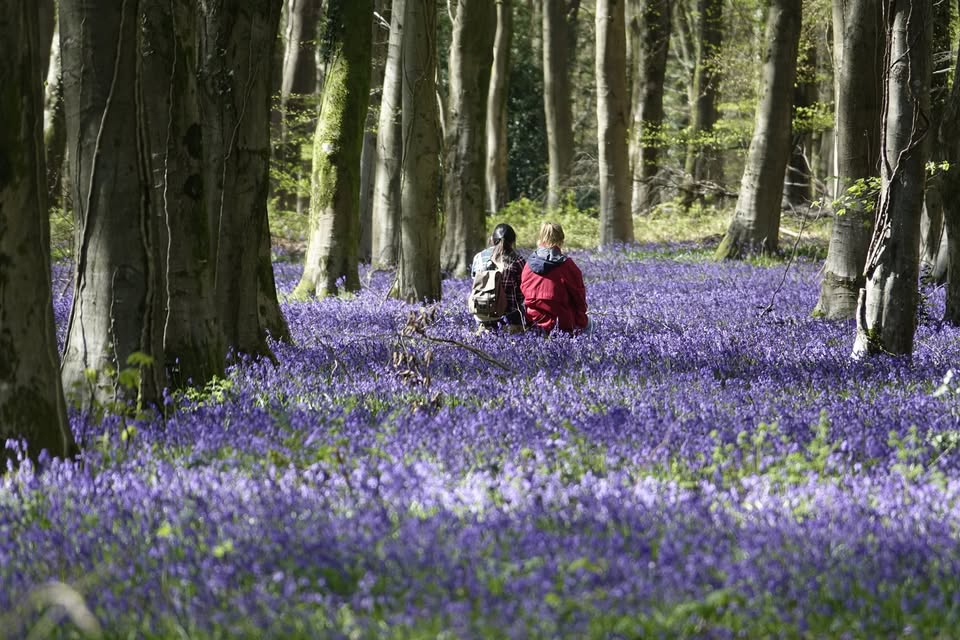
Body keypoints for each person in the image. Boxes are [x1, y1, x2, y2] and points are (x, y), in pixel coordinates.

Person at [520, 221, 595, 335]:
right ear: (561, 241)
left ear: (540, 239)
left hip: (533, 322)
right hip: (562, 324)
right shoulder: (567, 266)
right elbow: (579, 299)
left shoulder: (528, 266)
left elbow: (523, 294)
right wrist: (580, 320)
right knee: (593, 326)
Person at [470, 223, 526, 333]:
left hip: (482, 315)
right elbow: (522, 293)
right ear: (513, 241)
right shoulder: (518, 261)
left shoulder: (479, 257)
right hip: (509, 318)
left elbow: (474, 282)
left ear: (492, 239)